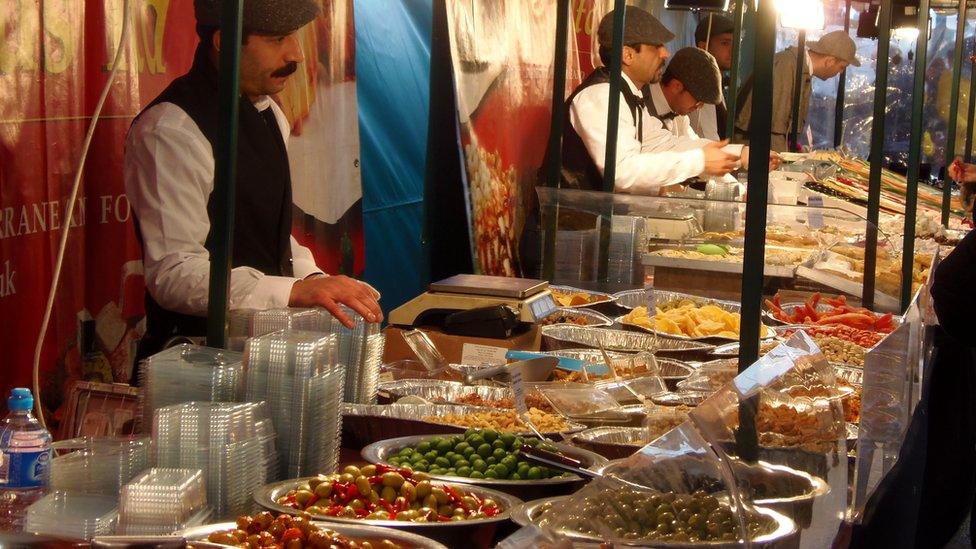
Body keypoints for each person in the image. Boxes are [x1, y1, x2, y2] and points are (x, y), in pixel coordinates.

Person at [124, 0, 382, 361]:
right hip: (195, 363)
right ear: (224, 41)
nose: (297, 55)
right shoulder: (170, 130)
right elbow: (174, 272)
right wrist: (290, 292)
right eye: (278, 40)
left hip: (261, 355)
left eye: (293, 37)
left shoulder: (270, 113)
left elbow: (269, 234)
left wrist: (311, 279)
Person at [559, 6, 739, 197]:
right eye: (656, 47)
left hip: (593, 219)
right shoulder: (601, 95)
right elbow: (621, 171)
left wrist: (736, 153)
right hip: (571, 222)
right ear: (627, 54)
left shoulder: (627, 94)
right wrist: (699, 161)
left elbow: (663, 143)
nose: (665, 54)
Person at [735, 30, 860, 152]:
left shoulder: (799, 69)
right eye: (842, 67)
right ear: (830, 61)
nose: (841, 72)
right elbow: (775, 127)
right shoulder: (787, 66)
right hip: (752, 153)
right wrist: (782, 162)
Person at [690, 15, 735, 141]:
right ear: (704, 47)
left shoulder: (716, 82)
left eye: (736, 42)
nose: (733, 50)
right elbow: (708, 139)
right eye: (725, 43)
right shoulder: (702, 85)